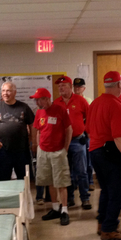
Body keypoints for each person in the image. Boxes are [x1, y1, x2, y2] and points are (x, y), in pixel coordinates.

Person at [86, 71, 121, 240]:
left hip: (95, 151)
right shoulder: (115, 105)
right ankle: (109, 229)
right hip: (110, 152)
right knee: (118, 193)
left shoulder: (95, 103)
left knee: (106, 190)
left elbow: (89, 130)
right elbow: (118, 136)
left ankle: (102, 223)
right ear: (120, 85)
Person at [32, 87, 72, 226]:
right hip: (43, 151)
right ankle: (55, 208)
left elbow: (68, 130)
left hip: (58, 151)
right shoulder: (39, 112)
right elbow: (38, 131)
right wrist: (38, 148)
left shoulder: (60, 110)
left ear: (46, 99)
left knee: (61, 182)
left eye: (39, 99)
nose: (37, 102)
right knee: (49, 181)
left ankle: (65, 210)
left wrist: (65, 149)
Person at [53, 76, 91, 209]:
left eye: (63, 86)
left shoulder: (80, 101)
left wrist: (85, 131)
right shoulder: (56, 103)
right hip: (62, 143)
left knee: (82, 171)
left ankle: (85, 198)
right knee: (66, 172)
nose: (61, 88)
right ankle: (69, 199)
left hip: (77, 141)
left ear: (70, 87)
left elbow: (89, 118)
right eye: (59, 87)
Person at [0, 81, 35, 181]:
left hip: (22, 150)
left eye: (8, 91)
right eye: (3, 91)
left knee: (25, 180)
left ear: (15, 92)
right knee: (2, 181)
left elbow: (32, 124)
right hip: (3, 150)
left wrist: (33, 140)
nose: (5, 93)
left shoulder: (24, 107)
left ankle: (23, 197)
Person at [74, 77, 95, 191]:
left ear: (84, 88)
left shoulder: (88, 100)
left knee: (88, 160)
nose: (78, 89)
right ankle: (77, 182)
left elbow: (91, 117)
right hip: (76, 134)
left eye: (80, 87)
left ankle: (90, 181)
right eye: (76, 87)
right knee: (76, 161)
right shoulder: (71, 100)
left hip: (87, 133)